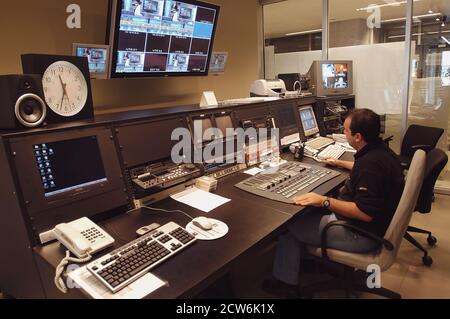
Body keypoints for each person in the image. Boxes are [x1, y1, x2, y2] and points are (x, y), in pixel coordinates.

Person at [263, 108, 405, 298]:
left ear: (358, 137)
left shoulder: (370, 166)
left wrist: (325, 201)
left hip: (361, 234)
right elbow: (367, 171)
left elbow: (364, 212)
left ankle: (286, 284)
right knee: (309, 212)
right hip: (376, 227)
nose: (343, 133)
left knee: (290, 226)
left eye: (345, 131)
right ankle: (308, 261)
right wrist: (342, 164)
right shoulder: (380, 152)